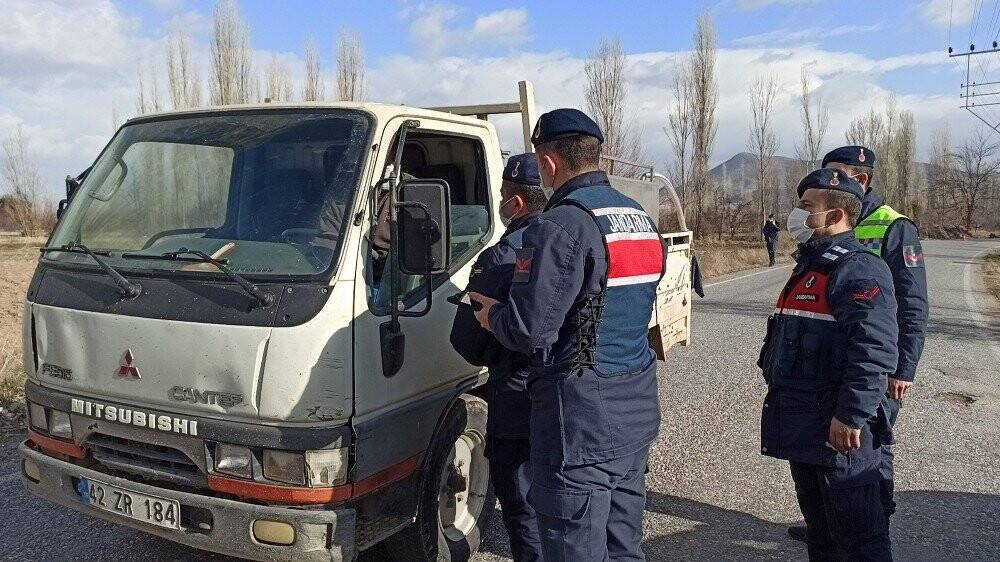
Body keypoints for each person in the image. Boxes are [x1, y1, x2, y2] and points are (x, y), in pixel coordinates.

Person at [468, 109, 665, 562]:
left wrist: (492, 314)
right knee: (622, 549)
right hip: (634, 410)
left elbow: (530, 330)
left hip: (580, 422)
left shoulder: (559, 227)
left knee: (572, 549)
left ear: (550, 163)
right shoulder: (638, 218)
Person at [784, 146, 929, 543]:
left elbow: (911, 303)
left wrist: (904, 367)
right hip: (838, 359)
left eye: (835, 173)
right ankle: (833, 524)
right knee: (833, 471)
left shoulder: (893, 226)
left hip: (874, 362)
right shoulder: (824, 237)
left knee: (869, 445)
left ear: (860, 180)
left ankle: (871, 522)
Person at [759, 168, 898, 561]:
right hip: (807, 426)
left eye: (806, 207)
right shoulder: (811, 265)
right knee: (821, 535)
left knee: (860, 541)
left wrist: (852, 416)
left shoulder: (857, 268)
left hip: (839, 434)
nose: (796, 214)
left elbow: (874, 350)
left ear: (836, 215)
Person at [449, 154, 547, 561]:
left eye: (504, 196)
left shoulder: (501, 257)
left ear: (517, 204)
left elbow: (467, 341)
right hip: (566, 400)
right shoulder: (574, 241)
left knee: (522, 508)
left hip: (516, 398)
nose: (503, 203)